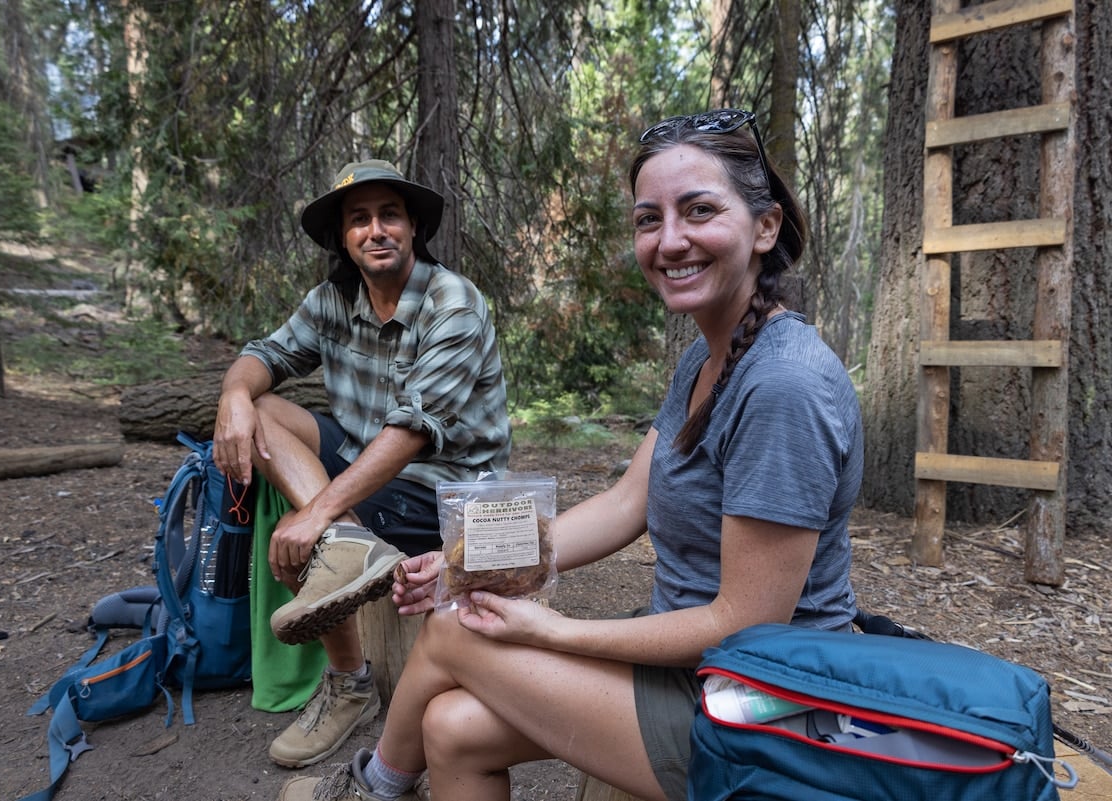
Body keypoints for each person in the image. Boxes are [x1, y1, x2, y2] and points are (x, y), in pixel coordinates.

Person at [280, 109, 863, 801]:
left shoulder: (784, 384)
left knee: (452, 631)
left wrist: (558, 630)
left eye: (699, 210)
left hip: (764, 709)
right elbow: (626, 503)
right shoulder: (707, 361)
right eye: (650, 219)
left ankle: (371, 788)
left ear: (764, 226)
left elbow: (745, 621)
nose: (670, 240)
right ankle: (383, 781)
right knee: (453, 725)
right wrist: (468, 562)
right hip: (699, 670)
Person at [213, 159, 511, 770]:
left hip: (450, 491)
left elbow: (411, 433)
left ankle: (349, 673)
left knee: (302, 536)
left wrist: (316, 514)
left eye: (389, 215)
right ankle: (348, 558)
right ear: (344, 239)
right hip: (365, 471)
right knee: (266, 409)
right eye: (359, 219)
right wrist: (233, 397)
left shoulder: (452, 301)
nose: (375, 230)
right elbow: (264, 354)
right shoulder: (332, 300)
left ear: (412, 229)